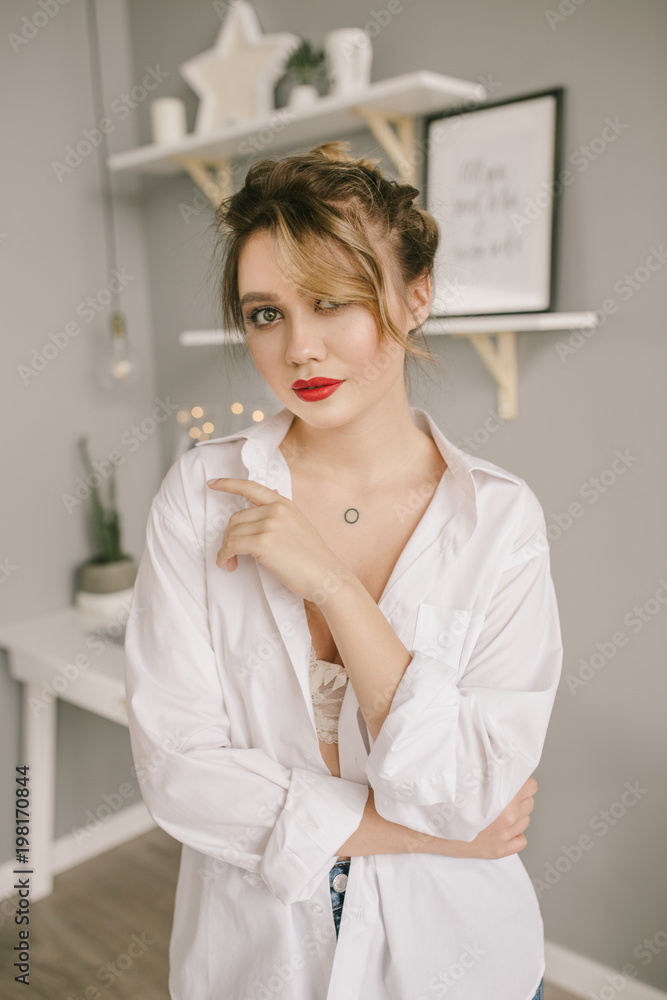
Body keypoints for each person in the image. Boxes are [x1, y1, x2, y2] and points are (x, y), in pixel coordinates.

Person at [124, 141, 562, 1000]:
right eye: (265, 313)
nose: (299, 349)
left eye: (332, 303)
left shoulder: (499, 520)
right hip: (254, 966)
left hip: (457, 964)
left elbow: (473, 785)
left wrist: (331, 584)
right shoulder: (200, 495)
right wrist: (426, 836)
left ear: (415, 297)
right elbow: (177, 771)